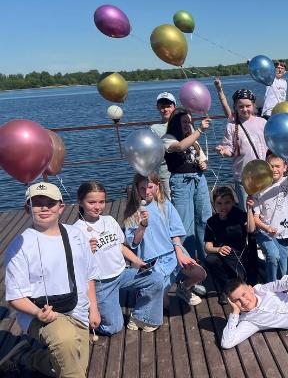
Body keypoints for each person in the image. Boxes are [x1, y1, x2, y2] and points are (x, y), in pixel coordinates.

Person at [2, 182, 109, 378]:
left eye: (50, 203)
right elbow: (15, 296)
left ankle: (27, 357)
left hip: (77, 307)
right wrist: (37, 313)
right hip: (41, 313)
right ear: (27, 209)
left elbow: (88, 274)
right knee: (65, 341)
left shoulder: (75, 234)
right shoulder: (20, 246)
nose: (44, 208)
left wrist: (93, 307)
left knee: (68, 364)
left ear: (61, 207)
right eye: (37, 204)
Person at [74, 181, 164, 333]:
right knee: (113, 327)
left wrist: (139, 262)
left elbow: (120, 246)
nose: (97, 207)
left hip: (122, 273)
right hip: (101, 283)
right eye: (92, 202)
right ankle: (83, 318)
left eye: (101, 202)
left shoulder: (109, 220)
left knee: (155, 279)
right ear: (80, 201)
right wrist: (86, 251)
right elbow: (76, 265)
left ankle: (141, 316)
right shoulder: (76, 230)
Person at [124, 173, 207, 307]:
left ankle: (183, 288)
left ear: (157, 186)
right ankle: (146, 291)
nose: (147, 192)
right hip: (152, 262)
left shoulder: (165, 205)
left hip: (172, 253)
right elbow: (134, 242)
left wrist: (180, 254)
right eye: (142, 188)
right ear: (137, 189)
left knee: (200, 273)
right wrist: (142, 225)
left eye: (150, 187)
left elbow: (176, 232)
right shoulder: (131, 212)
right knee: (164, 305)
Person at [162, 108, 213, 261]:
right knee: (185, 224)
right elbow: (180, 147)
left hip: (199, 179)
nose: (187, 125)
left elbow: (202, 158)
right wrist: (199, 130)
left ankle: (206, 259)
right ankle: (188, 262)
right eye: (184, 122)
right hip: (181, 181)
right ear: (175, 123)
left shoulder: (192, 139)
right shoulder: (168, 138)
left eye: (189, 122)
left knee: (204, 219)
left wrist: (203, 164)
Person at [216, 88, 268, 211]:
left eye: (248, 106)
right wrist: (224, 151)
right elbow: (230, 149)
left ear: (253, 105)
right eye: (241, 106)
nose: (245, 109)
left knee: (265, 209)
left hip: (263, 174)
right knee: (247, 210)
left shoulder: (262, 122)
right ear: (235, 107)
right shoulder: (231, 126)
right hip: (242, 176)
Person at [204, 186, 256, 304]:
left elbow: (251, 229)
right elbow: (207, 247)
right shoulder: (211, 222)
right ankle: (225, 289)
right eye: (219, 203)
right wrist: (218, 249)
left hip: (240, 255)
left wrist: (249, 209)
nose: (223, 207)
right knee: (210, 259)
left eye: (227, 202)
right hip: (222, 254)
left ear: (233, 202)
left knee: (244, 282)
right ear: (214, 204)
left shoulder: (239, 215)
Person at [253, 152, 288, 282]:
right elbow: (255, 218)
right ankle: (271, 284)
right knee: (273, 256)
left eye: (278, 166)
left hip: (283, 233)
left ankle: (261, 265)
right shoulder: (259, 187)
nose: (274, 169)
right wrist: (266, 228)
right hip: (265, 231)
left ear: (285, 167)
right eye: (271, 166)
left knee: (284, 272)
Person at [150, 92, 177, 199]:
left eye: (168, 106)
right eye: (162, 107)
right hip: (166, 172)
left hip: (185, 169)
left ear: (174, 107)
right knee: (170, 199)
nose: (165, 109)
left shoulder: (183, 123)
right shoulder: (154, 128)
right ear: (158, 108)